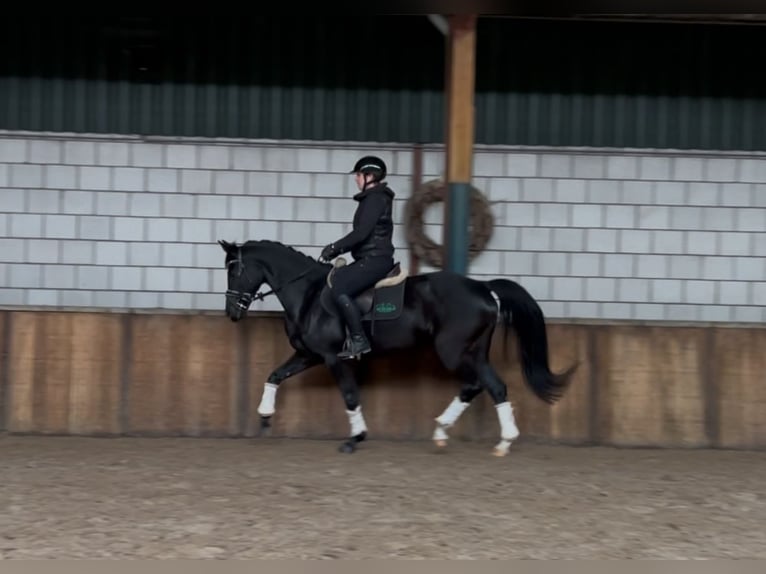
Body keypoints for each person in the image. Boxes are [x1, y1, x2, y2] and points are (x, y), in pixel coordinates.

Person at [320, 155, 396, 359]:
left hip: (375, 260)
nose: (356, 179)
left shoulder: (375, 199)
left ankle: (359, 339)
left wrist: (334, 248)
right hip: (369, 258)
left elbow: (361, 233)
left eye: (359, 175)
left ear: (370, 176)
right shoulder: (375, 198)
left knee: (339, 287)